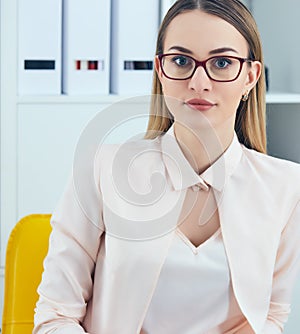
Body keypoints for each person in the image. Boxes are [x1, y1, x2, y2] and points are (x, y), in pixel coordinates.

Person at [33, 0, 300, 333]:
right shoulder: (101, 169)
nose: (199, 82)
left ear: (250, 76)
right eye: (180, 60)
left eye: (221, 63)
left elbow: (271, 317)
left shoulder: (287, 186)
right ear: (160, 70)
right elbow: (55, 316)